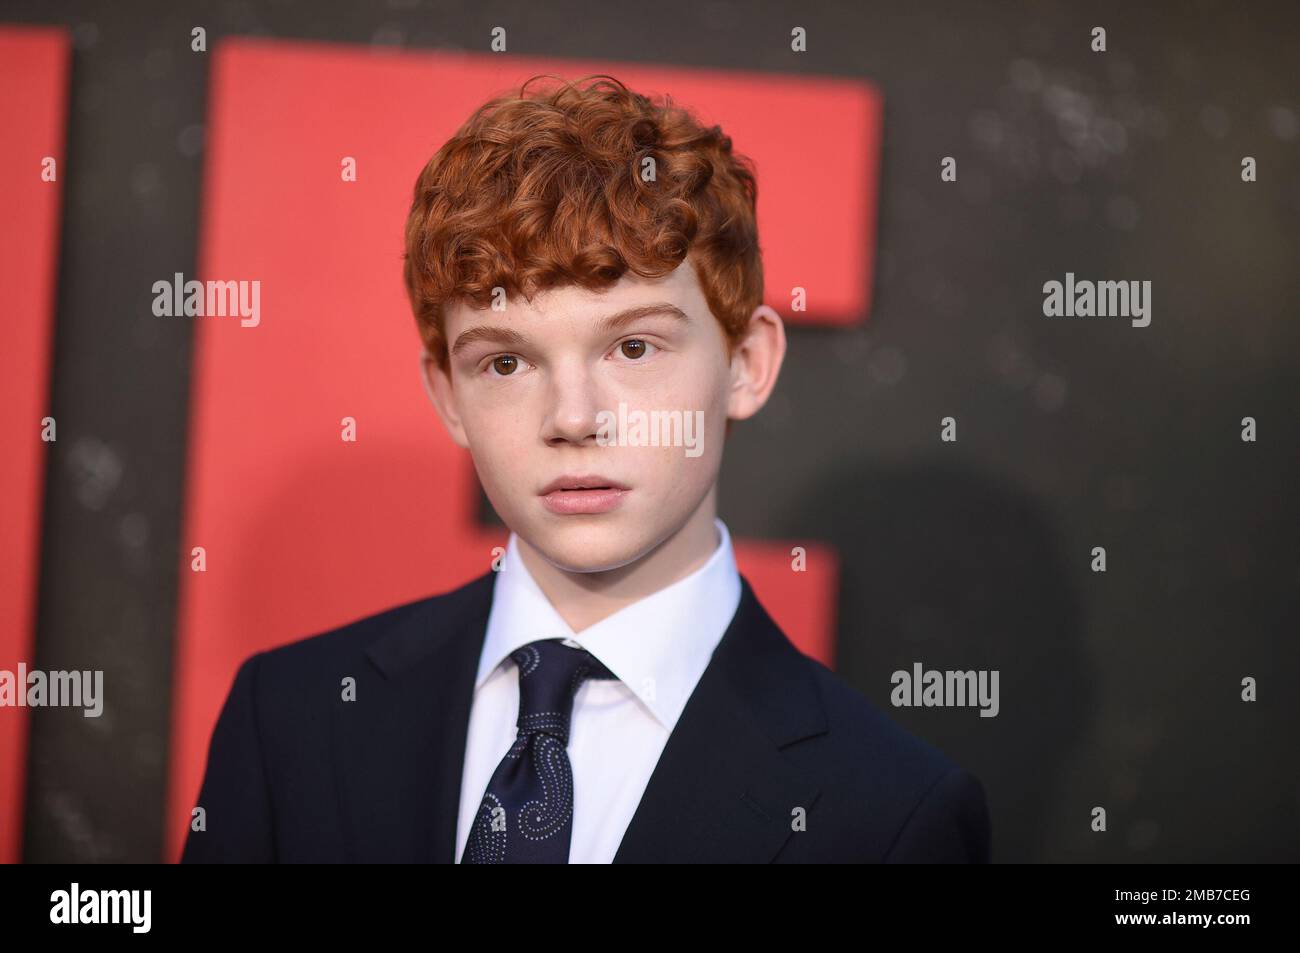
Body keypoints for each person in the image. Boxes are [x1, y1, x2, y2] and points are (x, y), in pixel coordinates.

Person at [181, 73, 991, 864]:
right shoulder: (289, 717)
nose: (573, 418)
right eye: (505, 363)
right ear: (448, 395)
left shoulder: (890, 813)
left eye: (633, 347)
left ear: (747, 361)